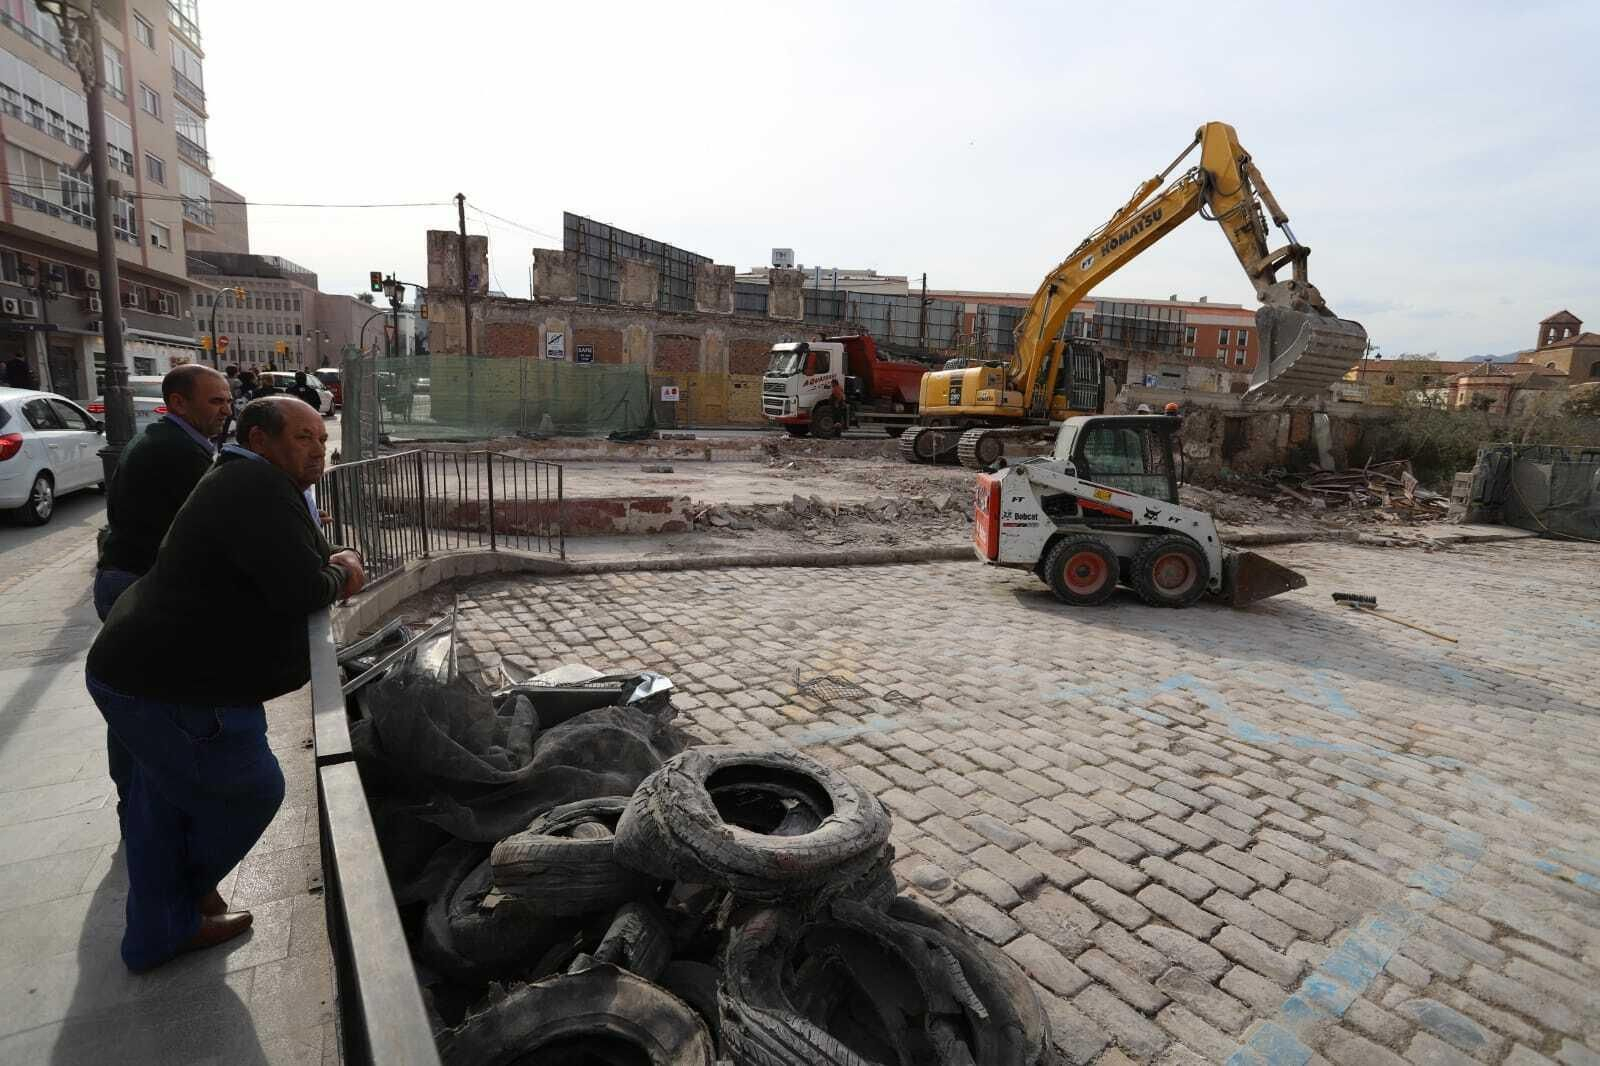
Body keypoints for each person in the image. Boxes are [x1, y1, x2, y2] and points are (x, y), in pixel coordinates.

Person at [85, 397, 366, 971]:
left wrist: (327, 559)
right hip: (171, 684)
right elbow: (302, 588)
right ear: (260, 439)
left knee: (161, 806)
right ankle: (177, 905)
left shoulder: (253, 479)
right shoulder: (254, 489)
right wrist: (346, 571)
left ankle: (159, 929)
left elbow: (308, 554)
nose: (318, 451)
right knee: (250, 792)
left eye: (320, 438)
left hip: (144, 668)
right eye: (303, 438)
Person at [94, 365, 232, 827]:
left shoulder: (170, 443)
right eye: (215, 401)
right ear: (178, 403)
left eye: (228, 400)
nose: (225, 410)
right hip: (138, 586)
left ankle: (137, 807)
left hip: (129, 581)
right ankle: (145, 815)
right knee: (148, 710)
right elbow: (211, 532)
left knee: (136, 704)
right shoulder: (176, 454)